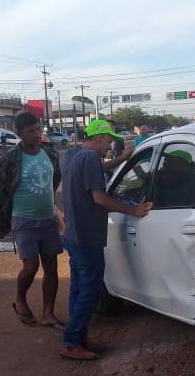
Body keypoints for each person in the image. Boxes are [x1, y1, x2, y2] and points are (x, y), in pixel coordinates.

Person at [59, 119, 152, 360]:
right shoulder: (90, 159)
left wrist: (122, 159)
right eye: (109, 140)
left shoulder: (72, 156)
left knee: (78, 288)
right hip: (87, 236)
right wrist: (132, 210)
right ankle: (71, 342)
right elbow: (99, 198)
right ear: (99, 137)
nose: (110, 145)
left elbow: (98, 169)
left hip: (73, 234)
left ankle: (78, 336)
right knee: (90, 290)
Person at [0, 112, 65, 328]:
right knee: (31, 266)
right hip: (24, 220)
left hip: (48, 220)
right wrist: (9, 206)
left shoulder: (50, 153)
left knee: (51, 268)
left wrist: (46, 199)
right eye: (31, 131)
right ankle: (20, 298)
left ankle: (48, 313)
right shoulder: (11, 158)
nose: (37, 134)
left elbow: (55, 179)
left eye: (38, 129)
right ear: (20, 133)